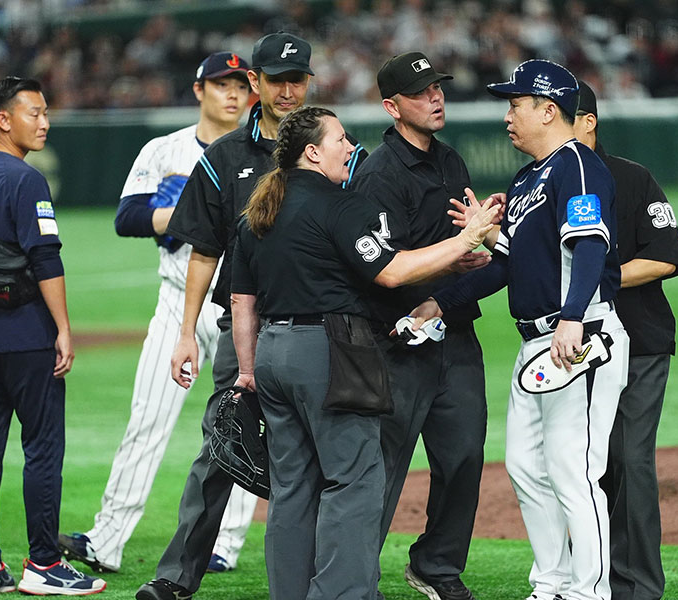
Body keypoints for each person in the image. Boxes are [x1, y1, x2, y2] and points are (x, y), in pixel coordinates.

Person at [230, 105, 498, 600]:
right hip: (328, 353)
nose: (351, 147)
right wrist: (465, 238)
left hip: (271, 353)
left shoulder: (258, 213)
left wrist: (247, 371)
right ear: (312, 152)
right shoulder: (338, 204)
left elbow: (241, 301)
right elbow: (392, 272)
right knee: (353, 480)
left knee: (291, 489)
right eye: (339, 139)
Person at [136, 32, 369, 600]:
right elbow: (203, 252)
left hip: (322, 328)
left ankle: (337, 579)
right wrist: (185, 332)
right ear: (255, 84)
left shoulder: (341, 150)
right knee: (224, 447)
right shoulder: (226, 157)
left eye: (298, 79)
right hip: (241, 327)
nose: (289, 89)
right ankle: (176, 577)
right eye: (276, 79)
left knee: (327, 457)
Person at [410, 60, 630, 600]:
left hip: (579, 337)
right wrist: (439, 301)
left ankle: (589, 591)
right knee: (527, 469)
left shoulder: (577, 164)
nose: (507, 116)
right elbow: (508, 267)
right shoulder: (528, 177)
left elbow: (590, 244)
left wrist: (574, 317)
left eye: (515, 104)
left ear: (549, 110)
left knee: (572, 470)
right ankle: (551, 585)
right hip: (538, 342)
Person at [57, 52, 260, 576]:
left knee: (242, 423)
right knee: (147, 418)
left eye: (241, 84)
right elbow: (127, 217)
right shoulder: (164, 150)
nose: (232, 94)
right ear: (199, 90)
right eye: (221, 84)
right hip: (179, 300)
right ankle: (106, 539)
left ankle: (225, 544)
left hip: (246, 305)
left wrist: (188, 216)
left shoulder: (263, 153)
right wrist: (182, 213)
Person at [0, 77, 105, 596]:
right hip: (24, 334)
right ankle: (43, 564)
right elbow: (45, 258)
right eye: (34, 113)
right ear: (4, 119)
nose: (45, 121)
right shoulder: (26, 179)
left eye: (45, 112)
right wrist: (63, 328)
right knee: (42, 447)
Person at [350, 51, 494, 600]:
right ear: (392, 107)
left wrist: (470, 255)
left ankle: (435, 565)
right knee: (381, 468)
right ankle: (354, 576)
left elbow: (453, 245)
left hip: (454, 332)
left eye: (437, 87)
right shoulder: (378, 176)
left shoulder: (451, 161)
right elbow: (381, 266)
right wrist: (453, 253)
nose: (435, 97)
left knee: (464, 456)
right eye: (420, 92)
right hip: (397, 341)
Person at [573, 81, 678, 600]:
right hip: (573, 350)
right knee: (579, 464)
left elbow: (665, 256)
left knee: (629, 457)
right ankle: (590, 579)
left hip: (639, 342)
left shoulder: (632, 178)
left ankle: (638, 587)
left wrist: (599, 277)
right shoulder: (546, 182)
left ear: (588, 122)